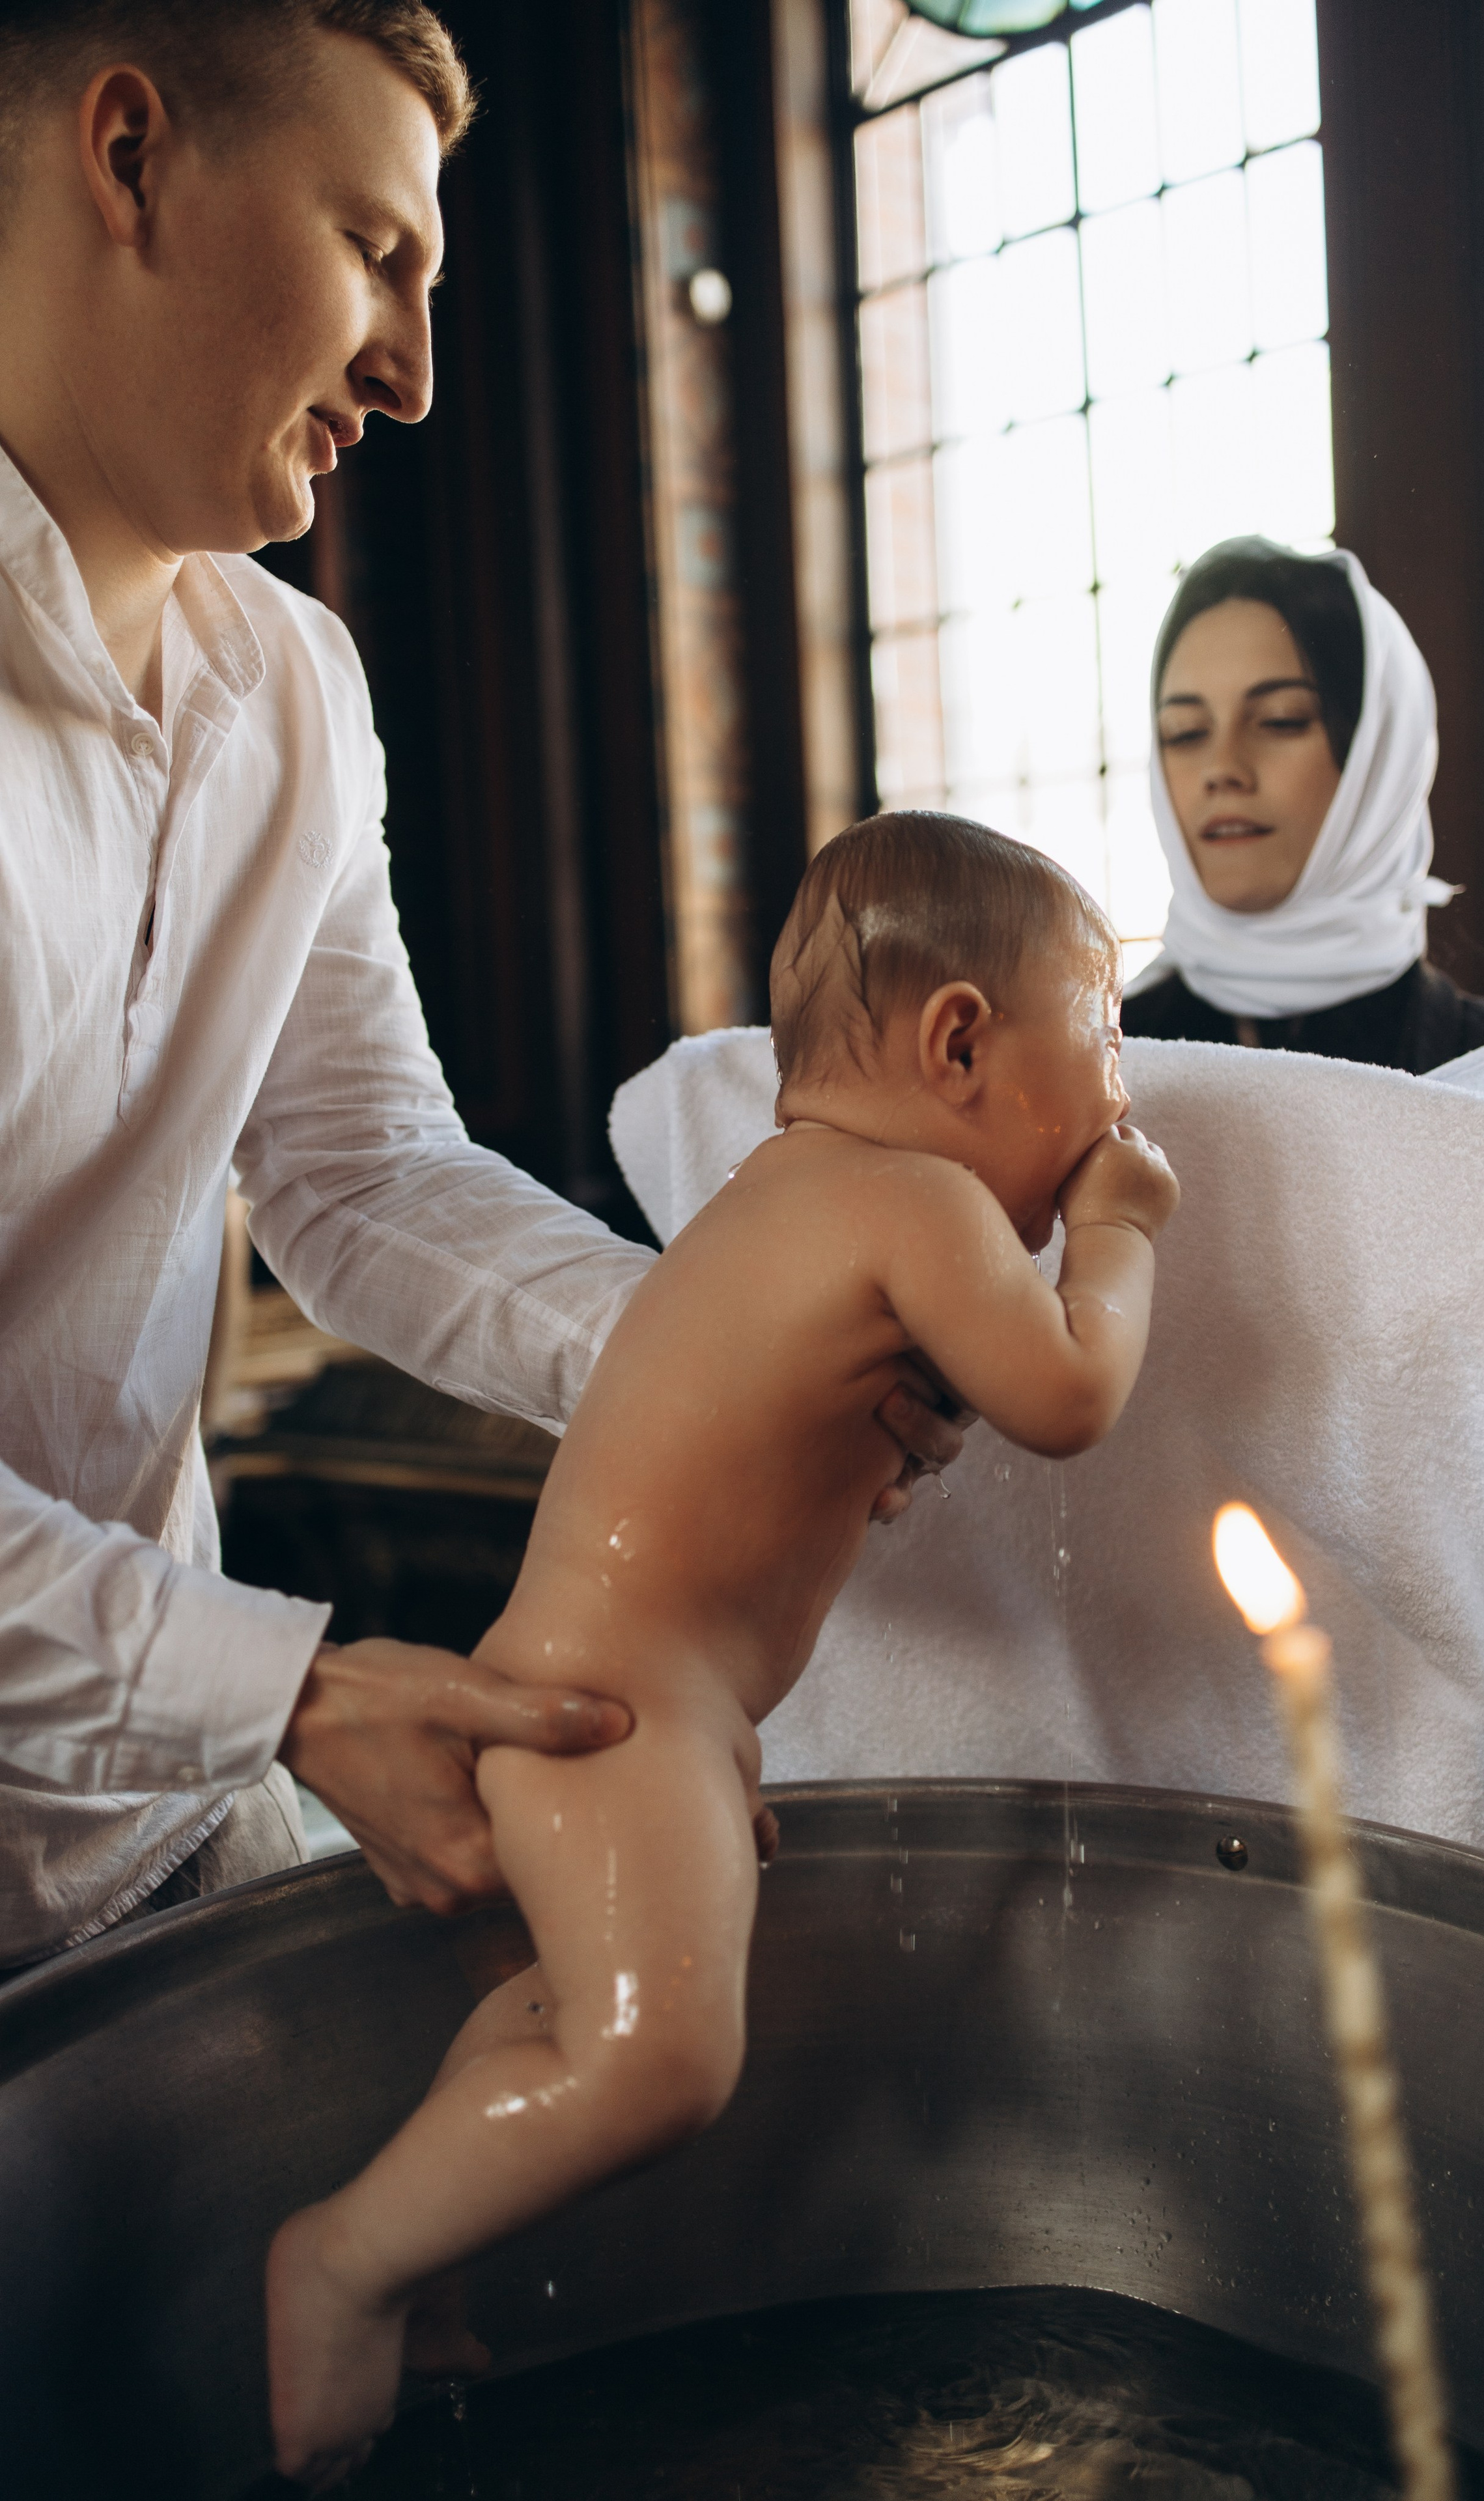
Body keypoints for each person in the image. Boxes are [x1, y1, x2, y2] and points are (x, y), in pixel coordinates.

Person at [0, 0, 961, 1970]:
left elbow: (359, 1169)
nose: (416, 373)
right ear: (130, 157)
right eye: (375, 248)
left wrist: (732, 1355)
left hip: (163, 1812)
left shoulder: (296, 687)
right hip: (198, 1713)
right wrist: (281, 1689)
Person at [264, 812, 1180, 2487]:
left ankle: (429, 2253)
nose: (1120, 1093)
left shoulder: (775, 1196)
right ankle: (343, 2257)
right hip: (623, 1715)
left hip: (607, 1692)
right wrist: (1122, 1229)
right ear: (959, 1041)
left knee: (567, 2012)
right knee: (664, 2061)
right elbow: (1066, 1394)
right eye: (1106, 1035)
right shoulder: (918, 1201)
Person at [1120, 537, 1484, 1099]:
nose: (1222, 769)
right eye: (1185, 732)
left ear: (1381, 757)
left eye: (1280, 720)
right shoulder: (1093, 1075)